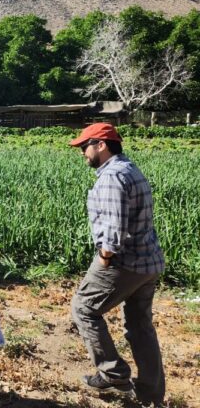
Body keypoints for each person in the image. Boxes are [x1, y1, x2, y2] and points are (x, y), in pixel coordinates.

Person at [68, 123, 165, 405]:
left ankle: (113, 373)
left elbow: (114, 229)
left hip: (123, 262)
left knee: (83, 308)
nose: (83, 153)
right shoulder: (130, 169)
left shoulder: (111, 176)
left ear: (102, 145)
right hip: (148, 261)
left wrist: (105, 257)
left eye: (85, 147)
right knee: (139, 326)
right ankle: (151, 395)